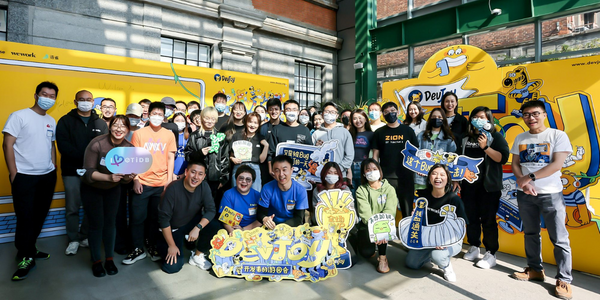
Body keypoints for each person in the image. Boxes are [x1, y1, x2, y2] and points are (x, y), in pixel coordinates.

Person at [510, 100, 573, 300]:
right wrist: (523, 183)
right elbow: (515, 163)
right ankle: (535, 270)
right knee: (530, 233)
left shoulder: (557, 136)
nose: (531, 118)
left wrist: (530, 178)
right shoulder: (520, 137)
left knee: (559, 239)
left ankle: (564, 279)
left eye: (535, 113)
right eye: (526, 114)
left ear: (544, 114)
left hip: (551, 194)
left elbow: (556, 165)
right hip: (525, 194)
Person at [3, 81, 59, 281]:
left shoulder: (51, 120)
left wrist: (53, 166)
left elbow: (50, 144)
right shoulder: (19, 116)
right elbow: (7, 144)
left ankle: (29, 248)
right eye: (44, 94)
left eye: (52, 96)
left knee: (39, 215)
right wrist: (13, 173)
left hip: (47, 175)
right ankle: (26, 256)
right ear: (36, 95)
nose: (48, 98)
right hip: (24, 176)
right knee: (25, 217)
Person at [81, 115, 135, 277]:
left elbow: (124, 180)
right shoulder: (97, 143)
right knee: (96, 224)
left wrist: (128, 177)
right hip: (92, 188)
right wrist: (108, 177)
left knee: (111, 224)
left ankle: (109, 259)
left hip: (113, 189)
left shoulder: (129, 148)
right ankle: (96, 261)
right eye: (116, 125)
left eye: (123, 126)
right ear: (110, 127)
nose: (119, 129)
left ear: (128, 129)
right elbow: (87, 172)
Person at [56, 90, 108, 256]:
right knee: (72, 208)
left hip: (94, 174)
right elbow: (63, 146)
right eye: (81, 100)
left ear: (93, 102)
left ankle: (84, 236)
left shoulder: (100, 123)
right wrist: (88, 157)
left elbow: (105, 147)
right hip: (72, 171)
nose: (85, 102)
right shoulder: (65, 121)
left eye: (88, 99)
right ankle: (73, 239)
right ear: (75, 101)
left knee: (90, 207)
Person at [124, 101, 177, 265]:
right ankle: (137, 249)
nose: (157, 117)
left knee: (155, 219)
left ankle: (152, 246)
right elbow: (134, 158)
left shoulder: (168, 134)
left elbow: (170, 158)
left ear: (164, 116)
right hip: (142, 182)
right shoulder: (139, 134)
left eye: (161, 114)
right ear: (148, 115)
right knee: (137, 218)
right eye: (154, 113)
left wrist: (168, 182)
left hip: (161, 184)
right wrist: (136, 179)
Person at [460, 106, 509, 269]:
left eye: (482, 117)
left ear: (488, 119)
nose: (478, 119)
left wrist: (486, 147)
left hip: (489, 187)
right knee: (471, 219)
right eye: (475, 116)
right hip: (468, 186)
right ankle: (474, 246)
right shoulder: (466, 138)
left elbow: (502, 158)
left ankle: (490, 253)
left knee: (488, 221)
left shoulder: (495, 136)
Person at [405, 164, 468, 282]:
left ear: (448, 179)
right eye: (434, 174)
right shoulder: (423, 195)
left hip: (450, 240)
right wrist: (416, 217)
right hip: (429, 238)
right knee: (411, 263)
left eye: (442, 175)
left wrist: (446, 242)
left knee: (438, 256)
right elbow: (420, 222)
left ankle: (446, 266)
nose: (438, 177)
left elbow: (461, 225)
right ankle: (429, 255)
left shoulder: (454, 199)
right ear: (429, 178)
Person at [156, 158, 218, 274]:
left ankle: (197, 255)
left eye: (200, 174)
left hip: (189, 223)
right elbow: (163, 221)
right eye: (193, 172)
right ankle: (166, 245)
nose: (196, 177)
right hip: (172, 228)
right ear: (186, 172)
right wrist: (171, 245)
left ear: (204, 176)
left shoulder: (204, 186)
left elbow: (211, 210)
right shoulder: (172, 189)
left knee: (214, 225)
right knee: (172, 267)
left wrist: (197, 228)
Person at [372, 102, 419, 218]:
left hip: (406, 175)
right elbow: (375, 155)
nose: (390, 114)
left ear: (398, 112)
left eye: (392, 111)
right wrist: (376, 174)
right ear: (383, 115)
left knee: (407, 208)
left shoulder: (408, 131)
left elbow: (416, 153)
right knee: (387, 208)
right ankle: (386, 234)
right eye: (386, 112)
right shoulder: (379, 133)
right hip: (386, 177)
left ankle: (406, 234)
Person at [355, 159, 398, 273]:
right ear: (364, 174)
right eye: (368, 170)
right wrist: (374, 230)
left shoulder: (389, 189)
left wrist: (380, 230)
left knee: (383, 233)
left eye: (374, 169)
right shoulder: (361, 190)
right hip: (367, 224)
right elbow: (365, 213)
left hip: (384, 224)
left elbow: (390, 210)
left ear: (380, 171)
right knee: (366, 253)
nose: (371, 172)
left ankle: (383, 258)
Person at [184, 107, 230, 208]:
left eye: (213, 119)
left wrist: (223, 179)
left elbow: (225, 159)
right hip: (196, 178)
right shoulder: (194, 136)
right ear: (201, 118)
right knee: (195, 205)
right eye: (207, 118)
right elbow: (187, 156)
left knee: (211, 206)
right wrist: (199, 153)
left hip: (215, 179)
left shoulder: (221, 137)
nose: (210, 121)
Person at [115, 103, 143, 254]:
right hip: (118, 178)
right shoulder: (119, 132)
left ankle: (134, 243)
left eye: (136, 116)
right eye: (130, 116)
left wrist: (136, 178)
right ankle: (119, 243)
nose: (133, 119)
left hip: (135, 178)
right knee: (118, 212)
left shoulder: (143, 132)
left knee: (135, 212)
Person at [257, 155, 309, 228]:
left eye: (284, 170)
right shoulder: (267, 188)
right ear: (273, 172)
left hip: (292, 227)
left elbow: (299, 219)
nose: (281, 174)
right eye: (277, 170)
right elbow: (260, 213)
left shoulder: (300, 190)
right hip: (271, 227)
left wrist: (281, 228)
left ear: (291, 170)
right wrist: (265, 219)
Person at [414, 108, 457, 192]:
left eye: (439, 117)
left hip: (439, 180)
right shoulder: (421, 136)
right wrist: (419, 168)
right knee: (422, 203)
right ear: (430, 119)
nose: (436, 119)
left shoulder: (448, 139)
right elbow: (415, 155)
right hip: (421, 178)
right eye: (434, 117)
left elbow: (453, 161)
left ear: (443, 120)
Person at [267, 100, 313, 177]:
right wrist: (270, 169)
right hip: (281, 173)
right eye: (288, 109)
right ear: (284, 112)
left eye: (294, 109)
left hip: (300, 173)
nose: (291, 112)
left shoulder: (305, 130)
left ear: (298, 112)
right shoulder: (276, 129)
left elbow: (310, 153)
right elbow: (271, 152)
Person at [312, 102, 354, 179]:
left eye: (333, 112)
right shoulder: (316, 133)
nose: (329, 114)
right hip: (320, 175)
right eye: (327, 112)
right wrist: (316, 148)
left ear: (337, 115)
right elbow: (311, 156)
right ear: (322, 114)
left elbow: (349, 155)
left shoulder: (344, 132)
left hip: (340, 174)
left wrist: (339, 169)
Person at [230, 113, 268, 191]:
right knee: (237, 192)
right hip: (239, 166)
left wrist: (266, 146)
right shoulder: (237, 136)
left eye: (255, 123)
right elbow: (231, 154)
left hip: (254, 167)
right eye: (250, 122)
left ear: (259, 125)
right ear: (246, 122)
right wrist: (232, 159)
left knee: (255, 193)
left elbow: (262, 160)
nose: (252, 125)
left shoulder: (260, 137)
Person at [219, 165, 262, 235]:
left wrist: (243, 230)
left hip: (253, 230)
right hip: (233, 229)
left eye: (248, 180)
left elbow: (261, 219)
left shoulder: (257, 195)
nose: (244, 182)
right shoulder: (228, 195)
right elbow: (225, 221)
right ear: (236, 179)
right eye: (241, 179)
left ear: (252, 182)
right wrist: (234, 232)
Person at [348, 109, 373, 192]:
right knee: (352, 195)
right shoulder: (349, 134)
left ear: (365, 119)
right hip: (350, 167)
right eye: (354, 118)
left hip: (364, 167)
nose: (357, 121)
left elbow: (375, 153)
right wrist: (348, 170)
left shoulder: (371, 134)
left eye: (360, 118)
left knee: (364, 194)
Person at [170, 112, 189, 180]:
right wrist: (171, 174)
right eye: (177, 120)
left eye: (182, 121)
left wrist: (185, 173)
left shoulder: (189, 136)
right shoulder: (169, 135)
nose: (180, 122)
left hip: (185, 173)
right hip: (170, 173)